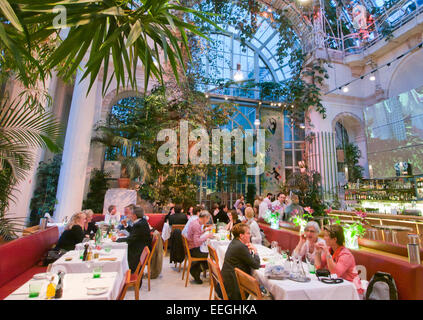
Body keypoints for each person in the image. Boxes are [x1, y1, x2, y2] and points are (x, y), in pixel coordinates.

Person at [314, 224, 364, 296]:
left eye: (326, 236)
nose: (324, 238)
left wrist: (327, 253)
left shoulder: (346, 255)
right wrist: (318, 252)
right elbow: (318, 267)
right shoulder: (330, 250)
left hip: (352, 290)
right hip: (338, 286)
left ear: (334, 239)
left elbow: (335, 273)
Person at [221, 223, 261, 300]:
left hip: (227, 279)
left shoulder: (235, 242)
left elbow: (245, 258)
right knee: (261, 289)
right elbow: (256, 265)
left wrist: (248, 250)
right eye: (248, 233)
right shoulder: (240, 247)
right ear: (241, 235)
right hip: (234, 286)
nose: (250, 235)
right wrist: (255, 251)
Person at [117, 206, 152, 273]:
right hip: (141, 245)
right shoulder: (142, 221)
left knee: (121, 252)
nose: (129, 216)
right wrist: (126, 225)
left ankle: (124, 273)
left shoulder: (139, 224)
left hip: (139, 249)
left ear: (135, 216)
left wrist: (116, 240)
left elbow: (130, 239)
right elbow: (134, 232)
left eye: (131, 214)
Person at [186, 210, 215, 284]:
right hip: (194, 249)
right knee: (213, 257)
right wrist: (207, 235)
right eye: (208, 219)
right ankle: (196, 270)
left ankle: (196, 268)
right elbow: (197, 242)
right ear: (205, 218)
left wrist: (205, 230)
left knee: (210, 254)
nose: (208, 221)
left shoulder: (196, 221)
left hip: (192, 247)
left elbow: (197, 234)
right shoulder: (197, 225)